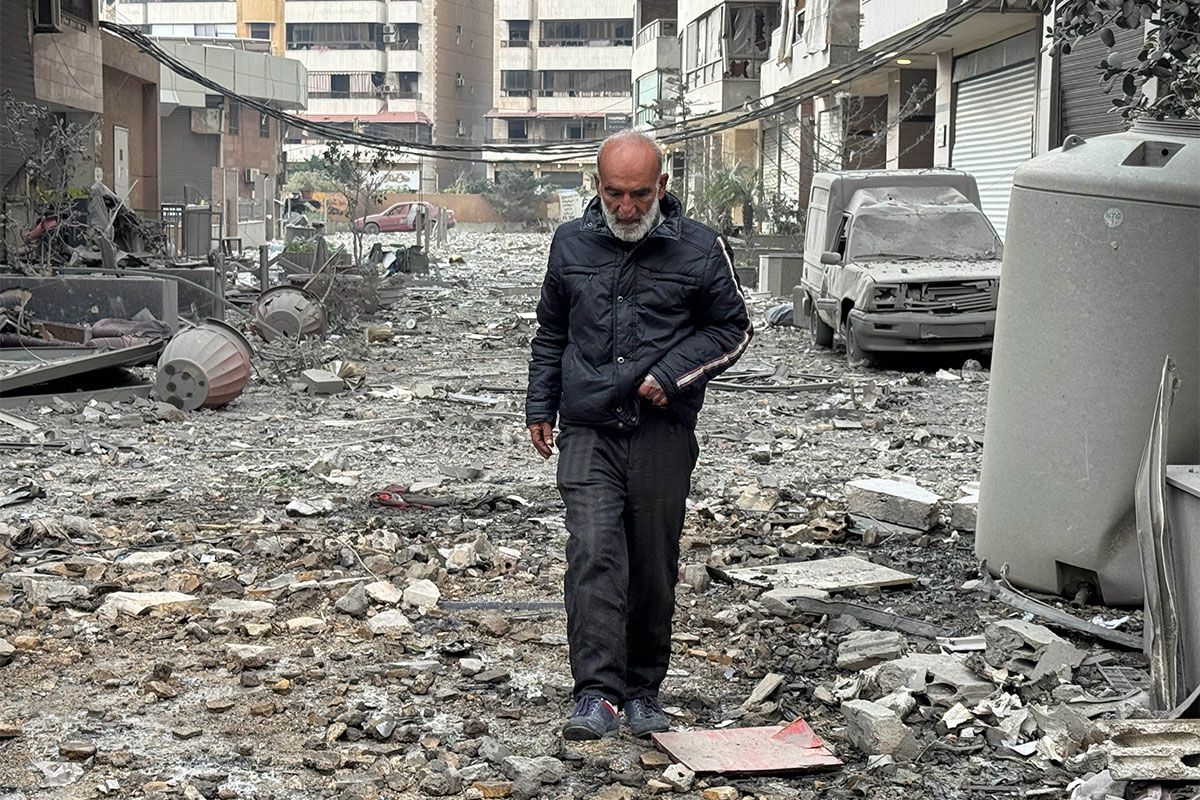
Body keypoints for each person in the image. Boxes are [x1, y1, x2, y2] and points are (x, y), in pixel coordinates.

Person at [525, 130, 753, 740]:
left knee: (653, 561)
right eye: (614, 194)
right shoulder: (569, 243)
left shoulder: (700, 249)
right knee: (594, 551)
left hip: (661, 432)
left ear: (663, 186)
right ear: (596, 186)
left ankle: (643, 690)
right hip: (588, 428)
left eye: (640, 195)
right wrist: (540, 404)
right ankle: (597, 694)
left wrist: (671, 375)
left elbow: (732, 329)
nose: (626, 208)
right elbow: (551, 333)